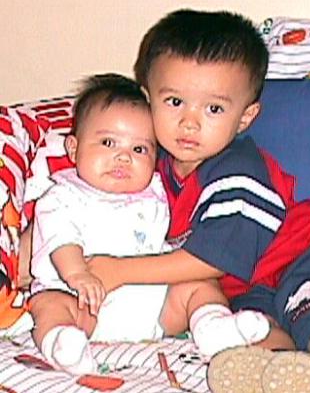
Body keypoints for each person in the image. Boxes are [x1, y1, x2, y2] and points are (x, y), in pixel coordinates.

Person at [85, 10, 310, 393]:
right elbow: (88, 197)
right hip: (252, 285)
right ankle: (289, 377)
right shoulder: (152, 166)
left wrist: (120, 271)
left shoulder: (236, 171)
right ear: (148, 103)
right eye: (175, 102)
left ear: (245, 117)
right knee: (254, 332)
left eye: (213, 109)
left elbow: (212, 259)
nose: (190, 123)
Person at [28, 73, 271, 375]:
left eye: (139, 149)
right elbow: (58, 236)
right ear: (74, 149)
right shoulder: (63, 195)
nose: (123, 157)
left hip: (151, 308)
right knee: (48, 304)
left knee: (200, 286)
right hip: (82, 300)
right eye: (108, 142)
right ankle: (62, 344)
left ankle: (213, 327)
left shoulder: (157, 191)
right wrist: (77, 274)